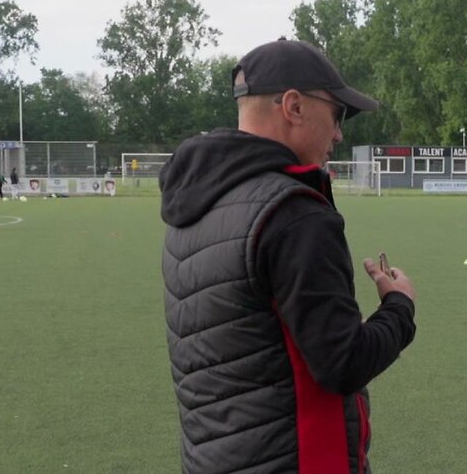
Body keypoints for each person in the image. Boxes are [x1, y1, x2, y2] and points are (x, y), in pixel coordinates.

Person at [159, 38, 417, 473]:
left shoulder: (192, 207)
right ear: (294, 107)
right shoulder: (294, 214)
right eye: (337, 114)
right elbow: (343, 364)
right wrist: (399, 307)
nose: (339, 134)